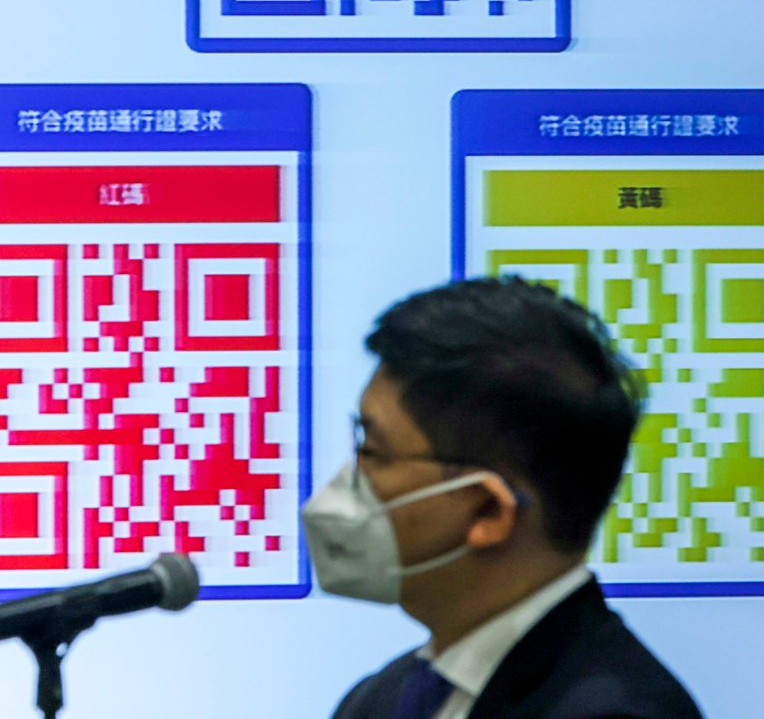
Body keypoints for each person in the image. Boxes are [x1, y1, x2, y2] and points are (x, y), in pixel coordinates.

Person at [301, 277, 703, 719]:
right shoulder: (381, 699)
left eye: (373, 454)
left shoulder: (617, 712)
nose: (346, 483)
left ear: (488, 509)